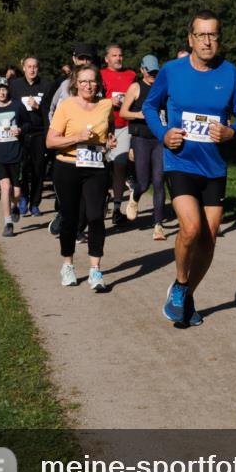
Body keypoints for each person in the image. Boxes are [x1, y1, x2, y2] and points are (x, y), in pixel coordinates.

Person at [143, 12, 236, 326]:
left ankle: (188, 295)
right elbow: (151, 106)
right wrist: (163, 133)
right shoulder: (171, 71)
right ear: (190, 39)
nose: (207, 41)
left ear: (219, 38)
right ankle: (179, 285)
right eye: (201, 35)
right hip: (180, 161)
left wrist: (234, 131)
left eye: (213, 35)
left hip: (214, 168)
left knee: (210, 237)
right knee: (191, 228)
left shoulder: (230, 73)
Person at [46, 64, 116, 290]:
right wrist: (76, 137)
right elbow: (51, 141)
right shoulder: (66, 106)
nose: (89, 85)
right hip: (67, 166)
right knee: (70, 218)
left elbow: (109, 129)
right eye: (84, 81)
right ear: (76, 83)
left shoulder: (105, 105)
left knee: (96, 215)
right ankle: (68, 264)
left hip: (96, 166)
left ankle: (95, 270)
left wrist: (108, 142)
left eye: (93, 81)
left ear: (99, 84)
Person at [120, 54, 166, 240]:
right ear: (142, 70)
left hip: (159, 139)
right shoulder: (136, 87)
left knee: (159, 181)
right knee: (144, 182)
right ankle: (135, 196)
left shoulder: (163, 87)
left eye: (156, 71)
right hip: (141, 139)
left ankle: (158, 225)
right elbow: (124, 112)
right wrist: (140, 115)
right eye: (150, 71)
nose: (153, 75)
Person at [0, 77, 30, 237]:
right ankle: (8, 223)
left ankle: (15, 206)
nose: (2, 92)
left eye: (4, 89)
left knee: (16, 192)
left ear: (8, 90)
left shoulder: (17, 106)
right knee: (5, 187)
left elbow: (28, 123)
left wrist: (21, 130)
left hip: (16, 152)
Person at [100, 44, 136, 225]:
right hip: (104, 127)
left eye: (120, 55)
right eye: (114, 56)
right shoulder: (100, 75)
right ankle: (102, 199)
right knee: (102, 166)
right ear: (107, 59)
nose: (118, 58)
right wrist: (109, 101)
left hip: (124, 126)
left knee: (120, 163)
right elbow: (93, 98)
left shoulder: (131, 75)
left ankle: (116, 209)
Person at [9, 56, 48, 217]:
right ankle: (23, 198)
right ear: (23, 68)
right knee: (23, 169)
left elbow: (51, 111)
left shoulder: (46, 85)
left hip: (39, 133)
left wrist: (38, 107)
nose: (32, 70)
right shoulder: (15, 86)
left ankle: (35, 204)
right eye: (29, 66)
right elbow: (8, 106)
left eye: (35, 67)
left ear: (38, 68)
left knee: (39, 169)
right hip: (21, 134)